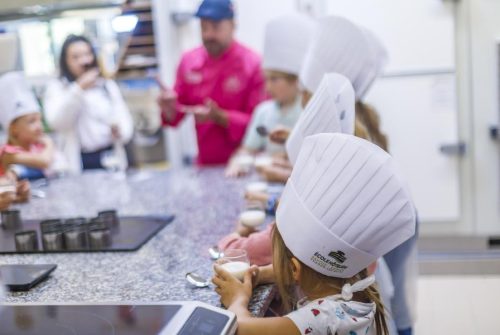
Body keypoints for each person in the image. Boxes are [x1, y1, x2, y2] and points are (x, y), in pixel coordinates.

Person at [213, 133, 417, 335]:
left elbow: (241, 329)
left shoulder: (321, 318)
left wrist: (237, 300)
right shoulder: (355, 291)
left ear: (294, 270)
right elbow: (309, 267)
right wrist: (262, 274)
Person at [218, 73, 355, 266]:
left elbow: (238, 252)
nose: (267, 87)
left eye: (274, 79)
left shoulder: (301, 219)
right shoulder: (339, 190)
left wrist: (237, 233)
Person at [158, 0, 266, 165]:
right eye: (203, 27)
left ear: (232, 25)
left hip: (245, 164)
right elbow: (174, 117)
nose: (208, 35)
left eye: (215, 27)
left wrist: (221, 117)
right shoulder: (189, 62)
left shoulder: (252, 64)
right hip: (205, 165)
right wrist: (168, 107)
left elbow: (261, 126)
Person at [225, 14, 314, 177]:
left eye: (274, 80)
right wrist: (237, 163)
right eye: (266, 80)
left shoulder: (309, 112)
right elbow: (247, 150)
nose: (267, 87)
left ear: (295, 81)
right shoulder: (263, 112)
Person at [43, 34, 133, 173]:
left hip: (110, 157)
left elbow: (123, 119)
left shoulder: (106, 85)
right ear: (65, 61)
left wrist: (120, 131)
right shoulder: (57, 88)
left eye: (87, 54)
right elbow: (57, 123)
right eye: (76, 57)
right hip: (80, 161)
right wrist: (78, 89)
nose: (84, 61)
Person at [0, 72, 54, 181]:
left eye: (40, 120)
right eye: (31, 121)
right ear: (14, 129)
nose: (39, 126)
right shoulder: (8, 153)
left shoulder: (36, 147)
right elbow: (44, 161)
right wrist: (49, 143)